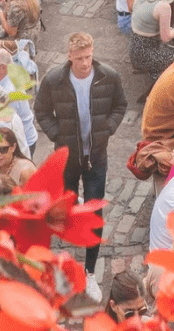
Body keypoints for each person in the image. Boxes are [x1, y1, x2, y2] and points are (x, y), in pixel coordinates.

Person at [34, 31, 126, 296]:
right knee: (67, 208)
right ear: (69, 57)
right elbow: (41, 110)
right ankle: (65, 264)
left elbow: (120, 105)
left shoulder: (109, 76)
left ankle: (89, 271)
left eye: (88, 57)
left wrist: (108, 128)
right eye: (79, 59)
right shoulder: (55, 80)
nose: (85, 63)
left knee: (94, 214)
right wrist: (56, 134)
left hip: (97, 157)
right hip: (68, 157)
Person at [0, 47, 39, 149]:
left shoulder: (7, 94)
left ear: (3, 68)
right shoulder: (3, 80)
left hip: (22, 143)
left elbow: (6, 129)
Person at [129, 0, 174, 79]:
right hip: (147, 55)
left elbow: (148, 14)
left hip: (135, 50)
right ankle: (158, 73)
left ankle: (156, 69)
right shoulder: (163, 6)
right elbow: (166, 37)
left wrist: (171, 12)